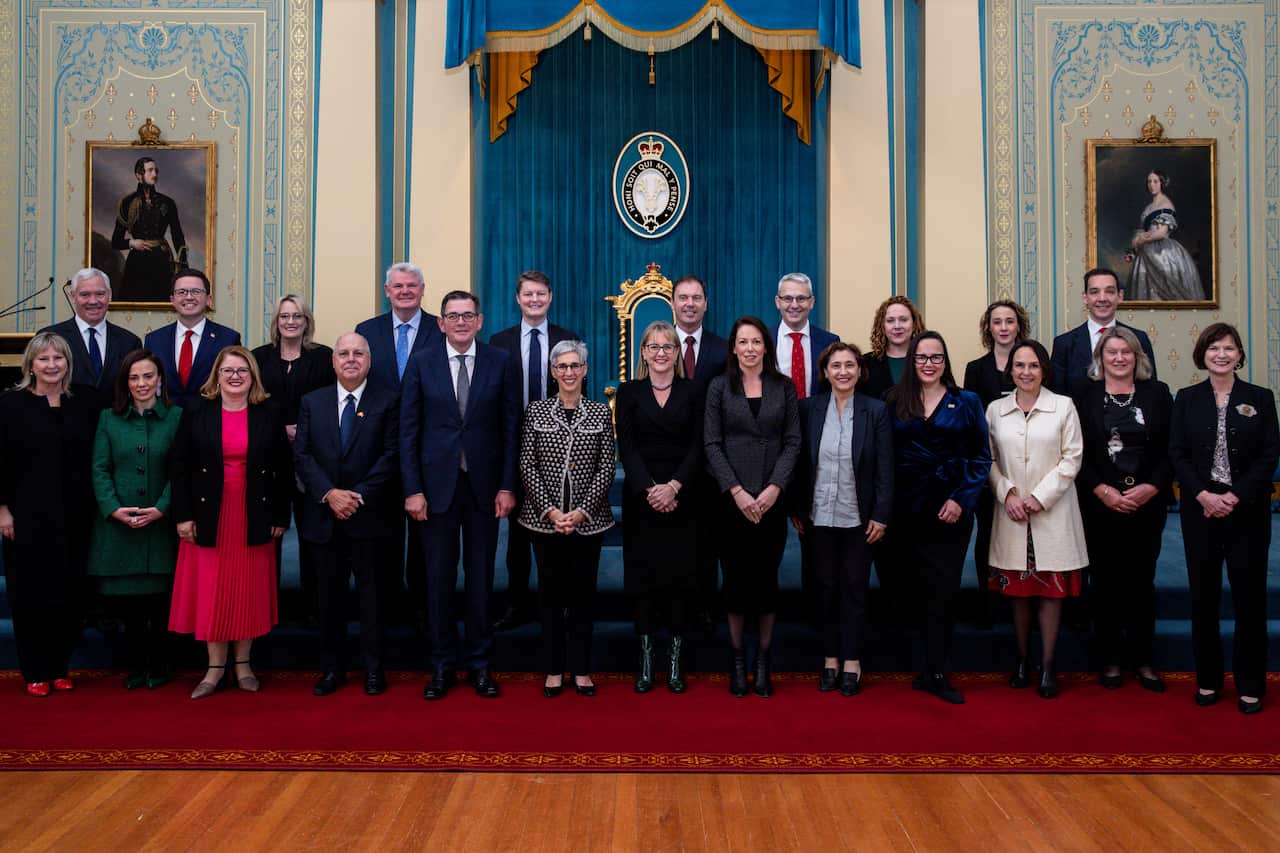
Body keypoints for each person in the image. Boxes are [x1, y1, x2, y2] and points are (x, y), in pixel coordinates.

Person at [401, 290, 520, 700]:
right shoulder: (421, 363)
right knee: (437, 581)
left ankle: (480, 665)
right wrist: (413, 489)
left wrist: (507, 485)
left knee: (481, 580)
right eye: (453, 316)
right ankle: (441, 666)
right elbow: (409, 431)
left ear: (480, 321)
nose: (461, 322)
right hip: (435, 493)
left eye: (468, 315)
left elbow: (510, 429)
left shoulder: (500, 362)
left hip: (485, 490)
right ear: (440, 322)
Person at [169, 346, 292, 699]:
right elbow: (179, 468)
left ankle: (244, 665)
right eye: (228, 371)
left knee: (247, 590)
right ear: (217, 376)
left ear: (253, 376)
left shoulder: (268, 412)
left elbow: (284, 470)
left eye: (242, 371)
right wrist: (183, 516)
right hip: (209, 514)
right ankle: (213, 668)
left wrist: (281, 516)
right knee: (213, 590)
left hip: (254, 513)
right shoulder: (197, 411)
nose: (235, 377)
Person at [1170, 323, 1280, 715]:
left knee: (1249, 599)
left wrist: (1234, 495)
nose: (1221, 354)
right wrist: (1203, 494)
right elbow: (1177, 454)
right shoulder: (1185, 398)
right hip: (1200, 512)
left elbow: (1270, 455)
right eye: (1214, 347)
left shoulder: (1260, 398)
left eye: (1229, 348)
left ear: (1239, 354)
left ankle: (1251, 685)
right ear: (1203, 354)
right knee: (1204, 599)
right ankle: (1209, 681)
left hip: (1246, 512)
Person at [882, 331, 991, 704]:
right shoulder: (894, 400)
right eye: (922, 357)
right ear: (911, 361)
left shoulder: (967, 402)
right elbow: (885, 459)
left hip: (950, 513)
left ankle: (938, 670)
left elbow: (981, 457)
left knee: (943, 592)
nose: (929, 364)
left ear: (946, 361)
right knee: (912, 591)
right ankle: (920, 665)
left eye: (936, 357)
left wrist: (961, 499)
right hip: (905, 511)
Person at [294, 333, 400, 697]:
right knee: (329, 599)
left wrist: (357, 496)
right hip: (325, 516)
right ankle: (331, 668)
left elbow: (391, 456)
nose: (351, 359)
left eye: (358, 353)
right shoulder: (313, 401)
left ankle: (373, 669)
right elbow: (303, 456)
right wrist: (329, 494)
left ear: (370, 360)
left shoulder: (387, 401)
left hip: (370, 517)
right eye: (344, 354)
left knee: (373, 599)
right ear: (333, 361)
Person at [704, 316, 801, 698]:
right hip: (731, 503)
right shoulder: (718, 387)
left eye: (756, 342)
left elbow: (793, 442)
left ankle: (762, 663)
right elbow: (712, 444)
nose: (749, 348)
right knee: (735, 581)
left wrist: (775, 488)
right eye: (742, 342)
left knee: (765, 582)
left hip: (771, 502)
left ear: (766, 346)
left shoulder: (784, 387)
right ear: (733, 347)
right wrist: (738, 492)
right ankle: (737, 662)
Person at [1074, 327, 1173, 692]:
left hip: (1147, 504)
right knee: (1105, 582)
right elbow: (1075, 452)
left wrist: (1152, 487)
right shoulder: (1083, 396)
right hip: (1100, 504)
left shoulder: (1158, 394)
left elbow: (1171, 450)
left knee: (1141, 582)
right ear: (1100, 359)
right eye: (1111, 352)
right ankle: (1111, 660)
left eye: (1126, 352)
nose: (1119, 358)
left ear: (1138, 357)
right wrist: (1101, 489)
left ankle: (1143, 660)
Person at [986, 339, 1087, 699]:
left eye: (1033, 366)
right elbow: (988, 459)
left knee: (1050, 592)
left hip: (1053, 512)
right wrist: (1008, 493)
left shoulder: (1063, 406)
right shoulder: (995, 409)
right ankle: (1021, 659)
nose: (1025, 372)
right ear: (1010, 370)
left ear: (1044, 369)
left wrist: (1039, 498)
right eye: (1019, 366)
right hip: (1011, 513)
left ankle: (1047, 664)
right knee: (1019, 592)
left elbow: (1072, 458)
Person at [0, 333, 99, 696]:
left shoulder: (85, 401)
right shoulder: (10, 405)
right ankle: (35, 669)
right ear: (30, 364)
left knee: (71, 593)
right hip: (27, 516)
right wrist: (2, 511)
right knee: (31, 594)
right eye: (44, 359)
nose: (52, 365)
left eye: (59, 358)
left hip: (77, 514)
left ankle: (60, 666)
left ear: (68, 363)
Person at [793, 341, 893, 697]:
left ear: (859, 370)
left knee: (853, 590)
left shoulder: (875, 411)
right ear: (825, 372)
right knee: (826, 590)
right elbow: (799, 462)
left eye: (850, 365)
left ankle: (852, 660)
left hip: (858, 519)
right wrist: (796, 508)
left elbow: (885, 468)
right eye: (836, 366)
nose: (843, 372)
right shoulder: (809, 409)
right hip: (818, 516)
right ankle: (830, 658)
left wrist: (881, 515)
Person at [518, 340, 615, 697]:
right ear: (553, 371)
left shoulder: (601, 412)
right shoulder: (536, 411)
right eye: (563, 366)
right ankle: (554, 668)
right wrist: (552, 511)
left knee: (582, 597)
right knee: (550, 596)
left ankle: (582, 669)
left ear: (585, 370)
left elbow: (607, 467)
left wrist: (581, 511)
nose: (569, 372)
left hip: (589, 522)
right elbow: (527, 465)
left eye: (576, 366)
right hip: (544, 522)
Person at [487, 270, 578, 633]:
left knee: (562, 532)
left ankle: (562, 603)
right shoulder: (499, 342)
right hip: (515, 446)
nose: (535, 300)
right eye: (528, 294)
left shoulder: (567, 339)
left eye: (541, 293)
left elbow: (578, 393)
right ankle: (517, 603)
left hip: (560, 448)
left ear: (550, 297)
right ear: (518, 299)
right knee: (520, 535)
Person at [616, 321, 703, 694]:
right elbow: (627, 446)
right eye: (654, 346)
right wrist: (652, 489)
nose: (661, 352)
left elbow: (700, 445)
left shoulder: (694, 390)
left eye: (668, 346)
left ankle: (675, 661)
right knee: (644, 578)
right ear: (644, 352)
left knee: (681, 578)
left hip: (684, 498)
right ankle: (647, 658)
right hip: (643, 498)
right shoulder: (629, 391)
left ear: (676, 352)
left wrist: (674, 487)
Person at [88, 349, 181, 689]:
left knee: (159, 604)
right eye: (134, 377)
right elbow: (99, 468)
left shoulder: (176, 417)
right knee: (129, 607)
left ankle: (159, 664)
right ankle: (135, 665)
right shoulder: (108, 419)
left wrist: (162, 507)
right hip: (118, 527)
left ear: (159, 380)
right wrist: (113, 508)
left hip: (161, 526)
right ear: (125, 383)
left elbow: (181, 470)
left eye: (148, 376)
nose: (142, 383)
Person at [354, 262, 440, 623]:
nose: (405, 291)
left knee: (425, 535)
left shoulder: (440, 328)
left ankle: (421, 606)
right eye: (398, 286)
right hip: (380, 445)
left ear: (422, 290)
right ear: (387, 291)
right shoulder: (367, 331)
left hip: (428, 445)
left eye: (412, 286)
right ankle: (386, 606)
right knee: (384, 531)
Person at [252, 294, 335, 623]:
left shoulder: (324, 357)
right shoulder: (258, 358)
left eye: (297, 316)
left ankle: (312, 608)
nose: (290, 321)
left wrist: (301, 431)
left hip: (310, 457)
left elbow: (330, 403)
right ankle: (265, 607)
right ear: (276, 322)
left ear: (306, 322)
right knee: (267, 532)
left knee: (312, 531)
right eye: (284, 316)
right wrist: (277, 428)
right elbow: (252, 401)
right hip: (268, 457)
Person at [963, 299, 1030, 627]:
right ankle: (989, 604)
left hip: (1030, 464)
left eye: (1009, 321)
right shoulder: (976, 369)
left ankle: (1026, 602)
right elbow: (971, 420)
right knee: (988, 534)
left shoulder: (1033, 362)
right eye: (997, 322)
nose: (1004, 327)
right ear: (988, 328)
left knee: (1026, 537)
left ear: (1019, 325)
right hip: (989, 464)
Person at [670, 274, 729, 635]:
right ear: (673, 303)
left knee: (708, 538)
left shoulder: (723, 350)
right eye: (683, 298)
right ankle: (672, 604)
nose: (689, 304)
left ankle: (706, 605)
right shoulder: (658, 345)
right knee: (673, 538)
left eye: (696, 298)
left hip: (709, 461)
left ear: (706, 304)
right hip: (669, 458)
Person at [1049, 267, 1156, 398]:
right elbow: (1056, 397)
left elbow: (1151, 391)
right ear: (1085, 298)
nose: (1102, 298)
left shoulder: (1139, 338)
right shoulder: (1064, 344)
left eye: (1110, 292)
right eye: (1094, 292)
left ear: (1120, 296)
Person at [40, 267, 142, 403]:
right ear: (73, 296)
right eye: (85, 295)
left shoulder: (130, 342)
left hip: (115, 421)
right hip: (64, 420)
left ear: (109, 295)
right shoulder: (51, 337)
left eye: (100, 294)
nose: (93, 301)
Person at [143, 268, 241, 408]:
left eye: (196, 291)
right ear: (172, 299)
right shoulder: (154, 340)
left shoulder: (228, 339)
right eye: (182, 292)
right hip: (166, 422)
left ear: (208, 299)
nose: (189, 297)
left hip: (210, 422)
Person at [110, 156, 189, 302]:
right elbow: (115, 242)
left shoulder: (168, 202)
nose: (155, 174)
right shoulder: (127, 203)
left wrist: (184, 270)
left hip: (162, 261)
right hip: (137, 263)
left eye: (156, 170)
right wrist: (132, 243)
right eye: (150, 170)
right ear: (139, 175)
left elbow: (178, 236)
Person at [1127, 169, 1205, 302]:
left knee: (1165, 289)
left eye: (1155, 181)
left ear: (1162, 183)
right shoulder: (1149, 206)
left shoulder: (1166, 204)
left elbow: (1161, 233)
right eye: (1149, 181)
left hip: (1163, 253)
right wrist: (1136, 241)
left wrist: (1141, 239)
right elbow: (1146, 229)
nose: (1152, 185)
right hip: (1145, 251)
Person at [771, 272, 839, 401]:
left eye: (801, 298)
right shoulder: (764, 339)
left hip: (816, 418)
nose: (795, 305)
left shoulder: (829, 342)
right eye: (787, 298)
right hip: (776, 419)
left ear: (812, 302)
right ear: (778, 302)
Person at [861, 295, 925, 400]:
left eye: (903, 320)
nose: (897, 326)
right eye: (890, 320)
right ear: (882, 326)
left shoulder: (928, 361)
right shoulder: (866, 364)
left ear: (914, 324)